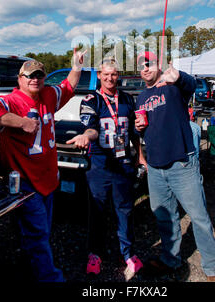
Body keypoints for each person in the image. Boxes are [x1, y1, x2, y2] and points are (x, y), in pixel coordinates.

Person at [0, 48, 85, 282]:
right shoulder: (10, 100)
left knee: (39, 233)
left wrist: (76, 66)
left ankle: (30, 270)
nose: (35, 79)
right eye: (29, 76)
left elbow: (68, 86)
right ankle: (50, 278)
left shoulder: (48, 95)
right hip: (26, 182)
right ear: (20, 79)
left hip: (48, 180)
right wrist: (21, 122)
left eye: (39, 75)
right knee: (38, 235)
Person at [135, 51, 215, 282]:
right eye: (141, 66)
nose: (145, 69)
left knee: (199, 217)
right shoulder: (142, 97)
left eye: (149, 64)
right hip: (155, 167)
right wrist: (139, 127)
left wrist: (179, 76)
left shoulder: (174, 87)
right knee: (165, 217)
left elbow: (190, 85)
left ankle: (212, 269)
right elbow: (143, 128)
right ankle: (170, 259)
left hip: (182, 163)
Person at [66, 58, 146, 281]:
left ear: (118, 75)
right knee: (97, 211)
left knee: (125, 210)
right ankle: (95, 253)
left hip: (123, 162)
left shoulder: (128, 98)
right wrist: (85, 136)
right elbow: (91, 129)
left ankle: (128, 253)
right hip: (100, 164)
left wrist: (140, 157)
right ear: (99, 75)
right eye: (106, 74)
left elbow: (134, 133)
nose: (110, 78)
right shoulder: (92, 99)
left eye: (114, 74)